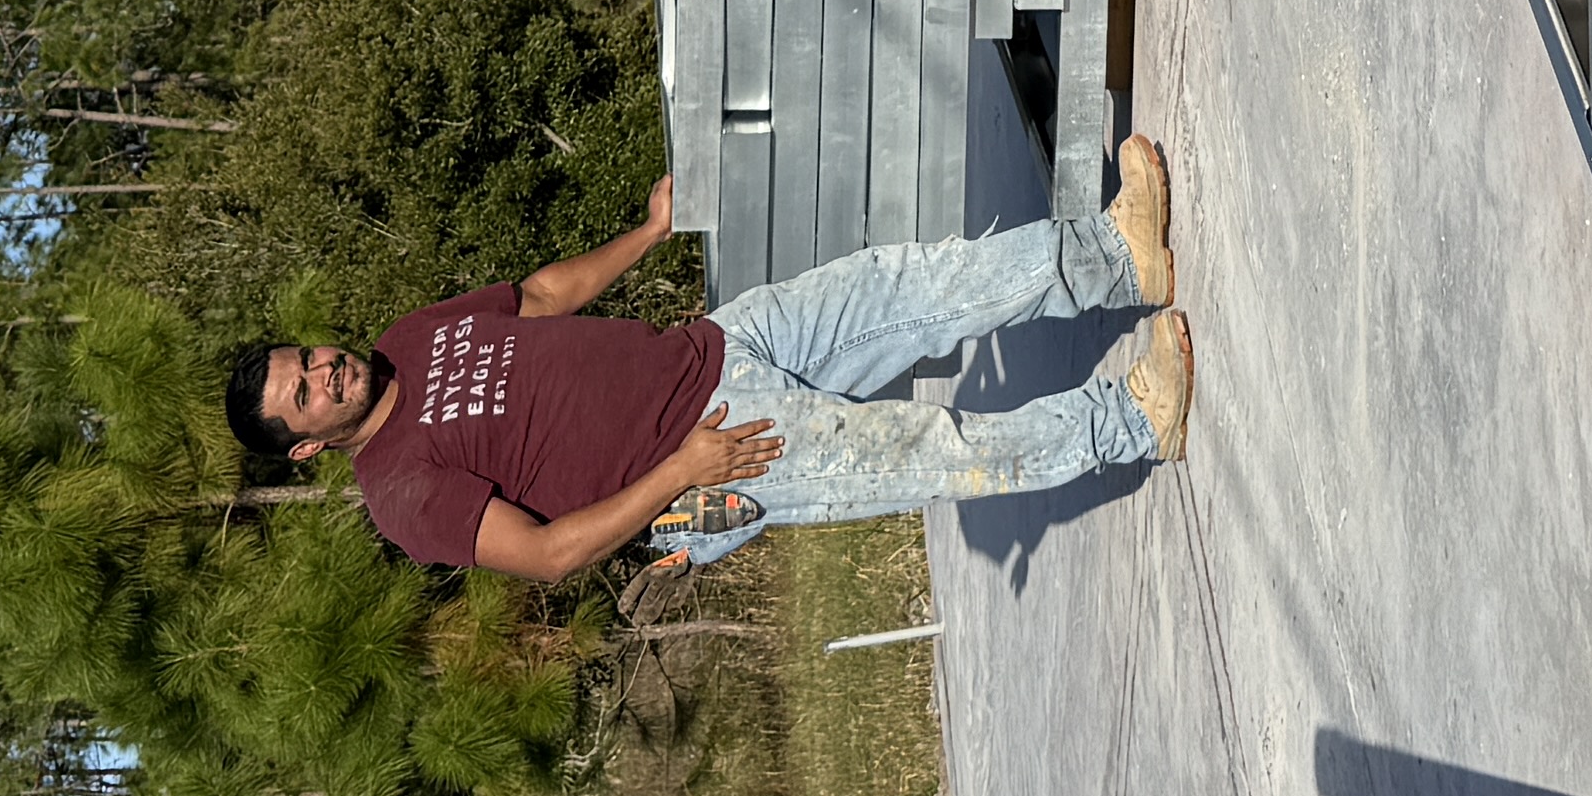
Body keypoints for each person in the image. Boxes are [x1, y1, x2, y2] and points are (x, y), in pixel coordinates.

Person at [224, 146, 1195, 585]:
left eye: (305, 358)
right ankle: (1135, 421)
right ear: (305, 449)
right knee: (929, 447)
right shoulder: (401, 494)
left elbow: (544, 298)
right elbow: (551, 555)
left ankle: (1115, 256)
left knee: (910, 283)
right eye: (302, 394)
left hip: (723, 343)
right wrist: (682, 474)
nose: (323, 373)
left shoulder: (405, 339)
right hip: (722, 449)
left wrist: (647, 233)